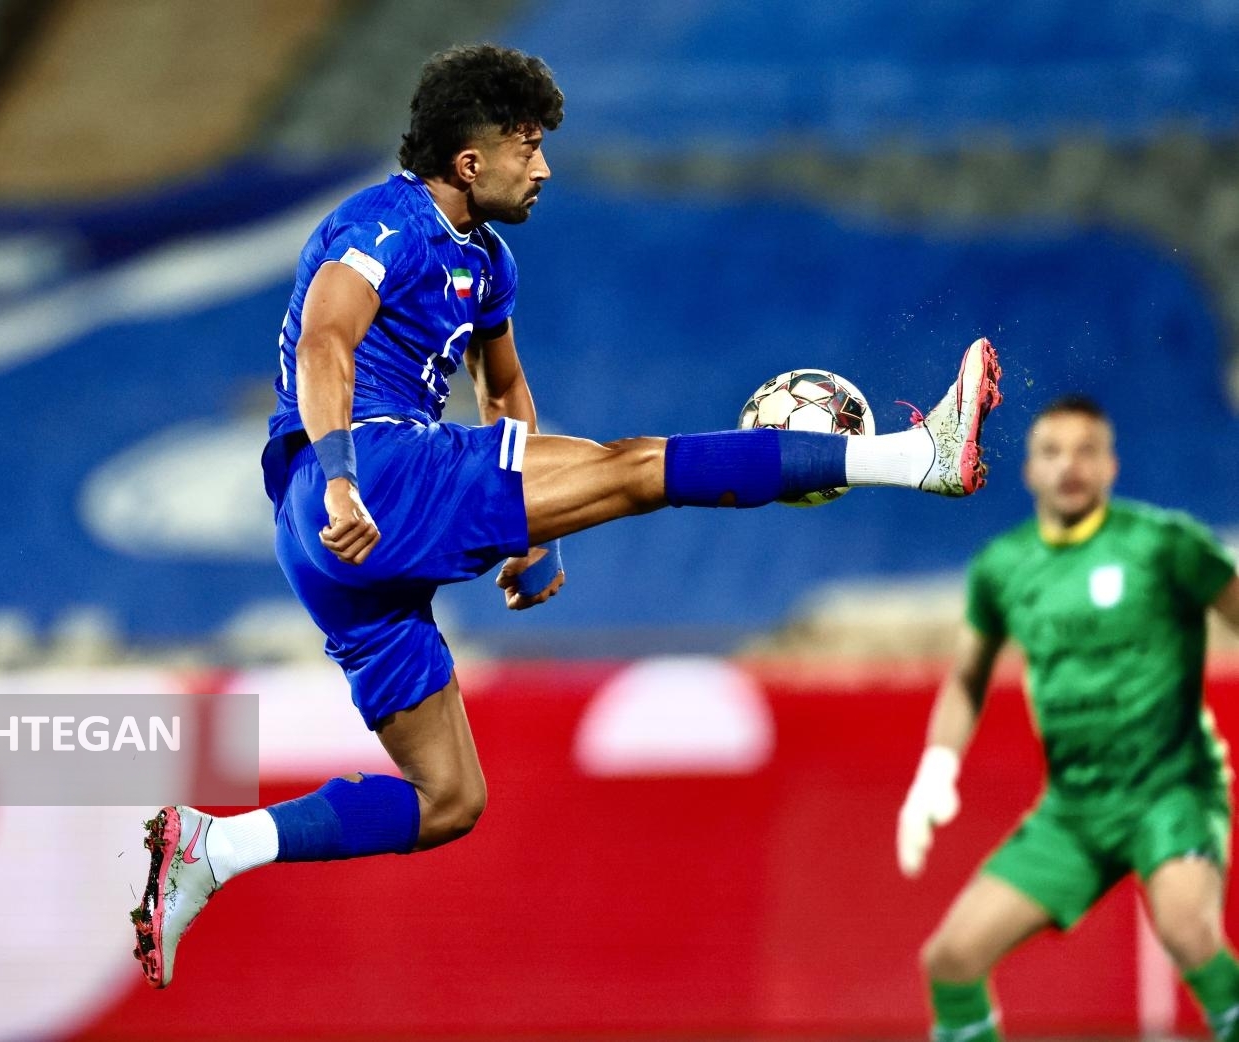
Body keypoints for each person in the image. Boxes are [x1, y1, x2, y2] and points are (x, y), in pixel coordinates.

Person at [133, 42, 1003, 989]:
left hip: (334, 548)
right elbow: (323, 345)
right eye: (528, 145)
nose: (543, 166)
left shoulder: (487, 262)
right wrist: (344, 477)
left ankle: (214, 851)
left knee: (449, 799)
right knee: (635, 469)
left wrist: (536, 534)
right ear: (471, 160)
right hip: (364, 471)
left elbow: (505, 393)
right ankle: (911, 458)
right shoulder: (384, 223)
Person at [897, 396, 1239, 1040]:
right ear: (1029, 470)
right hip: (1075, 808)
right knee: (952, 959)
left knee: (1187, 929)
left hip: (1172, 790)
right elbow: (968, 677)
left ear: (1111, 466)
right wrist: (935, 772)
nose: (1069, 466)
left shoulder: (1164, 545)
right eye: (1052, 452)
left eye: (1086, 451)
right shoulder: (1002, 567)